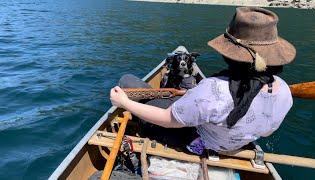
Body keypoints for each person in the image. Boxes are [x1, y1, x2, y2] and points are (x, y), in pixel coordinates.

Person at [110, 7, 296, 154]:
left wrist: (124, 102)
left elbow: (167, 120)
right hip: (235, 145)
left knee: (128, 82)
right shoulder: (285, 92)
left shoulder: (214, 89)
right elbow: (267, 132)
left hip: (195, 140)